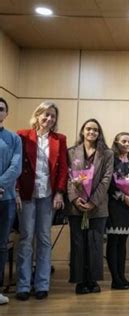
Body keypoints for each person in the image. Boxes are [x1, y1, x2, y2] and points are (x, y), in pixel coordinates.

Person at [16, 101, 68, 301]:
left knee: (45, 239)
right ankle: (23, 285)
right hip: (27, 194)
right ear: (37, 115)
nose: (49, 119)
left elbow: (63, 168)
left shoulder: (59, 139)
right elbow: (18, 164)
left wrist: (59, 193)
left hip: (48, 195)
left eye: (53, 116)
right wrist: (17, 191)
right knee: (26, 238)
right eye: (45, 114)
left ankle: (42, 284)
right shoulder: (22, 135)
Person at [67, 119, 113, 294]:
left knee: (95, 244)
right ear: (83, 131)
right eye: (88, 129)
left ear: (99, 133)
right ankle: (79, 281)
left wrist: (93, 201)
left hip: (98, 207)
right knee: (78, 244)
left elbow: (106, 179)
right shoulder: (71, 152)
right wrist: (74, 199)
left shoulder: (107, 154)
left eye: (95, 130)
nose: (91, 132)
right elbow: (68, 178)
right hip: (76, 207)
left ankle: (93, 280)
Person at [106, 132, 129, 290]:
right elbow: (108, 184)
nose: (127, 144)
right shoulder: (111, 160)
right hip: (115, 205)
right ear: (116, 142)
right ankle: (115, 279)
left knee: (123, 244)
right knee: (114, 242)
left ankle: (122, 277)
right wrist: (122, 196)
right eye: (124, 141)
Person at [0, 97, 22, 305]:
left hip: (5, 198)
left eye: (1, 109)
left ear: (6, 114)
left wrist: (0, 184)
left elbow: (16, 167)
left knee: (1, 244)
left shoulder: (14, 139)